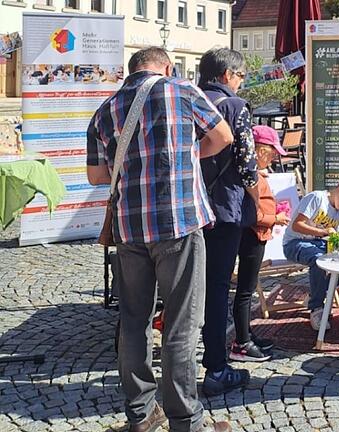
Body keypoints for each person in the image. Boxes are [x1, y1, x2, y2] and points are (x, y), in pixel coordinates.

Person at [86, 47, 234, 432]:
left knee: (134, 323)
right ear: (166, 67)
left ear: (132, 70)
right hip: (179, 223)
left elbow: (96, 176)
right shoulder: (182, 91)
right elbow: (223, 136)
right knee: (181, 326)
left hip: (129, 230)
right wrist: (186, 155)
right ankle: (186, 421)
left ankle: (140, 415)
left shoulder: (106, 110)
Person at [196, 48, 261, 396]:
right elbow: (247, 163)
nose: (240, 83)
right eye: (239, 76)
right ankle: (216, 367)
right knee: (219, 286)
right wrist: (259, 200)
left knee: (190, 287)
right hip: (224, 207)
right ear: (226, 75)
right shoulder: (234, 107)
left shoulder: (188, 100)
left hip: (190, 207)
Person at [231, 125, 289, 361]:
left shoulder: (255, 173)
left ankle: (247, 334)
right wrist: (275, 218)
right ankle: (242, 342)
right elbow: (250, 214)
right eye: (271, 151)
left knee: (248, 288)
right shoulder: (250, 174)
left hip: (258, 234)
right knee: (245, 291)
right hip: (253, 234)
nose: (275, 156)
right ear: (258, 150)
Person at [282, 177, 339, 330]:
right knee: (318, 260)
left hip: (319, 244)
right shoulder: (316, 198)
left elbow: (336, 239)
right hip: (295, 242)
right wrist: (322, 232)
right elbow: (296, 225)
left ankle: (317, 294)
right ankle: (316, 307)